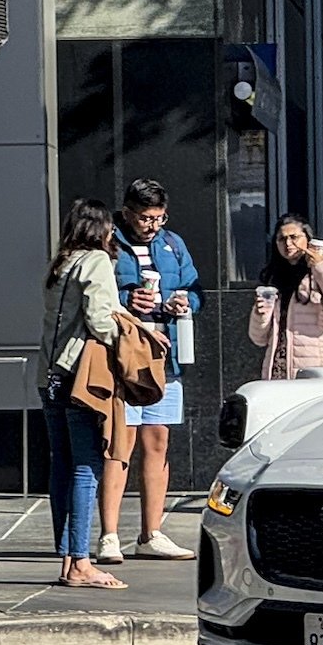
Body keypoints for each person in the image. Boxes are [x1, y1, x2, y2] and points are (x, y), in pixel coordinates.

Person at [98, 178, 202, 564]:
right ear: (127, 212)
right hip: (125, 358)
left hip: (165, 358)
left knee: (158, 443)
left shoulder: (173, 244)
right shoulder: (108, 241)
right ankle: (109, 535)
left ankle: (151, 533)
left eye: (159, 218)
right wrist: (128, 298)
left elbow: (196, 288)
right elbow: (95, 292)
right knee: (118, 445)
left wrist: (184, 301)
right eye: (145, 218)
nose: (152, 225)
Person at [39, 199, 128, 590]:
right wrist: (133, 336)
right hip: (81, 379)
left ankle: (67, 560)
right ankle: (80, 561)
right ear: (101, 229)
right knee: (87, 466)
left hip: (49, 375)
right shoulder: (95, 261)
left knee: (62, 466)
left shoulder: (60, 263)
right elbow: (99, 319)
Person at [249, 214, 323, 381]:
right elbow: (258, 339)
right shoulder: (274, 279)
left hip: (316, 368)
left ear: (307, 239)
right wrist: (260, 314)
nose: (288, 244)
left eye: (294, 237)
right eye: (281, 239)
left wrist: (321, 266)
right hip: (279, 372)